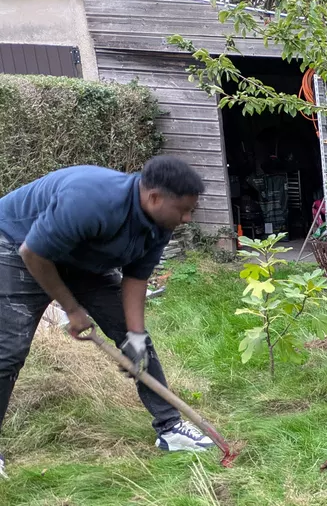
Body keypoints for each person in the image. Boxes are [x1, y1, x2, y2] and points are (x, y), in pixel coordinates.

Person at [0, 156, 215, 478]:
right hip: (19, 247)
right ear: (155, 198)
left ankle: (170, 428)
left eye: (191, 211)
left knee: (139, 344)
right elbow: (33, 253)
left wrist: (136, 336)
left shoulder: (160, 223)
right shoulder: (91, 200)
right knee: (9, 351)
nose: (186, 218)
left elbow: (136, 279)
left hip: (83, 261)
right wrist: (72, 309)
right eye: (183, 210)